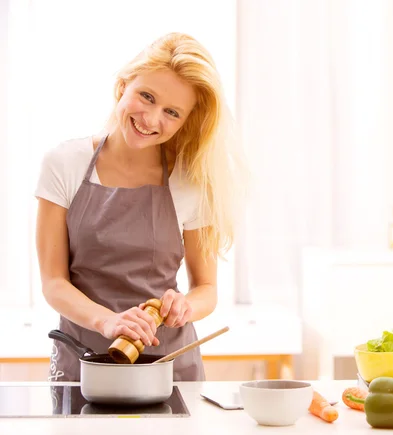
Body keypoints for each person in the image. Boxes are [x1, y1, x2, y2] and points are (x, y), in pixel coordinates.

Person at [34, 32, 245, 382]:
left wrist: (186, 305)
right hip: (84, 362)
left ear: (184, 123)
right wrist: (108, 321)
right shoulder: (64, 164)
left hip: (169, 366)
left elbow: (206, 288)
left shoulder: (189, 181)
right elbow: (54, 282)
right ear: (123, 85)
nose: (151, 118)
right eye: (146, 96)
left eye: (171, 113)